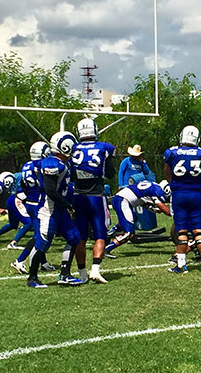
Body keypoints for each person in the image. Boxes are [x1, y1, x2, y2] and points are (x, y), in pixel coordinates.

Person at [26, 131, 83, 288]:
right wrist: (67, 204)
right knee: (43, 243)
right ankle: (32, 278)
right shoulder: (51, 163)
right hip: (48, 209)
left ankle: (65, 275)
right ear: (65, 146)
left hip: (59, 209)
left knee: (74, 237)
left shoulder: (63, 163)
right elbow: (50, 190)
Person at [163, 125, 201, 273]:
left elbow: (167, 172)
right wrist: (197, 186)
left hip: (178, 194)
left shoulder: (172, 152)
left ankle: (181, 265)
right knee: (198, 230)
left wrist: (174, 185)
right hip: (195, 194)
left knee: (182, 232)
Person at [71, 118, 116, 284]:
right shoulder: (104, 148)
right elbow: (110, 173)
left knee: (81, 236)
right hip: (96, 196)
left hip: (77, 196)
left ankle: (82, 273)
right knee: (100, 234)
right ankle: (95, 269)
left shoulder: (73, 148)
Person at [10, 141, 55, 275]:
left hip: (29, 202)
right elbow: (45, 185)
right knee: (40, 236)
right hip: (38, 204)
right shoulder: (41, 165)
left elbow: (24, 184)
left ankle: (43, 262)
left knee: (40, 233)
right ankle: (19, 260)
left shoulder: (26, 165)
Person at [103, 180, 171, 259]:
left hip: (120, 198)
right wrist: (175, 214)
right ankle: (106, 250)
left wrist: (155, 210)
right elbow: (166, 210)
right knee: (129, 233)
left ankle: (109, 234)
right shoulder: (156, 191)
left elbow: (143, 201)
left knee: (132, 218)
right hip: (122, 201)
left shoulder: (152, 185)